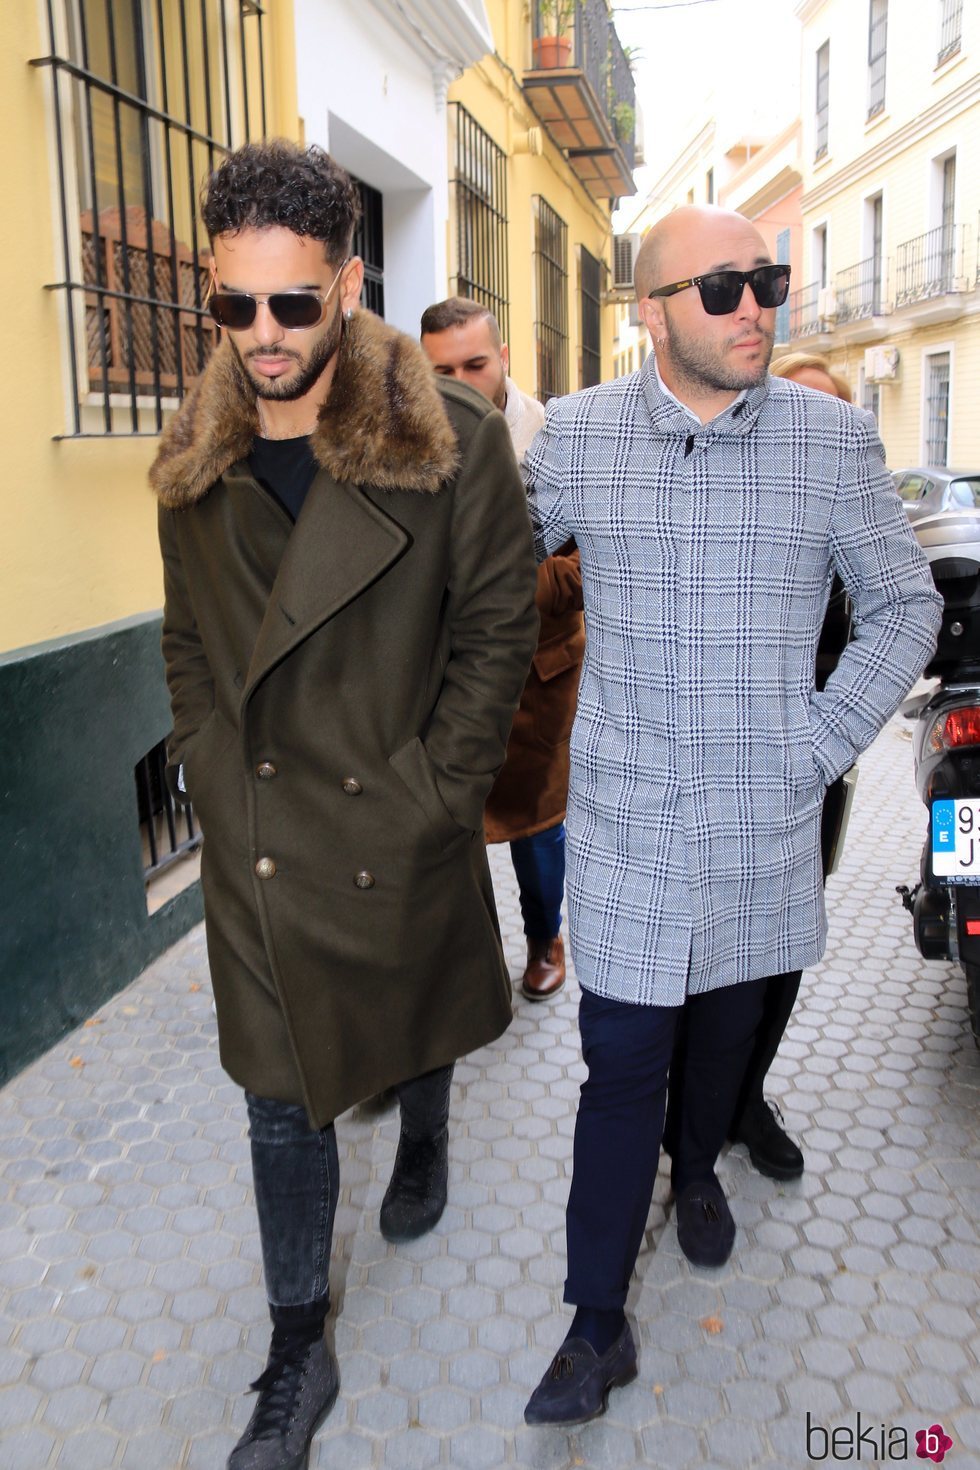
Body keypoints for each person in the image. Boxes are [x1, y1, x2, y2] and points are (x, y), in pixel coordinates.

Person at [520, 204, 942, 1427]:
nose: (754, 304)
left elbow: (901, 612)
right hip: (630, 824)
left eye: (766, 279)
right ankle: (593, 1325)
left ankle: (696, 1166)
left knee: (721, 1043)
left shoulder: (831, 442)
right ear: (649, 312)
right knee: (619, 1066)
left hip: (761, 824)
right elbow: (488, 570)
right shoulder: (581, 440)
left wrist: (809, 750)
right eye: (720, 288)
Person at [152, 140, 538, 1470]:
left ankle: (423, 1127)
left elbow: (496, 631)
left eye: (292, 305)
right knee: (278, 1094)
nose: (260, 337)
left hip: (395, 819)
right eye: (233, 306)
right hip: (262, 841)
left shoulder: (452, 441)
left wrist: (437, 793)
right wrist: (208, 758)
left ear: (349, 284)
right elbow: (189, 636)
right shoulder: (192, 456)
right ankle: (295, 1349)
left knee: (411, 1014)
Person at [709, 350, 856, 1179]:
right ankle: (694, 1105)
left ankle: (748, 1097)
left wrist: (819, 734)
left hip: (809, 765)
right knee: (708, 942)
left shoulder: (851, 513)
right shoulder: (735, 512)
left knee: (781, 943)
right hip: (717, 761)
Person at [420, 297, 585, 1000]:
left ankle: (545, 939)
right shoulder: (412, 439)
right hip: (447, 674)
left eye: (474, 363)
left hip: (538, 674)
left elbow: (589, 567)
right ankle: (474, 956)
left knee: (536, 826)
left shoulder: (558, 436)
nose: (460, 379)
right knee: (452, 824)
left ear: (504, 358)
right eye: (442, 369)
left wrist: (501, 586)